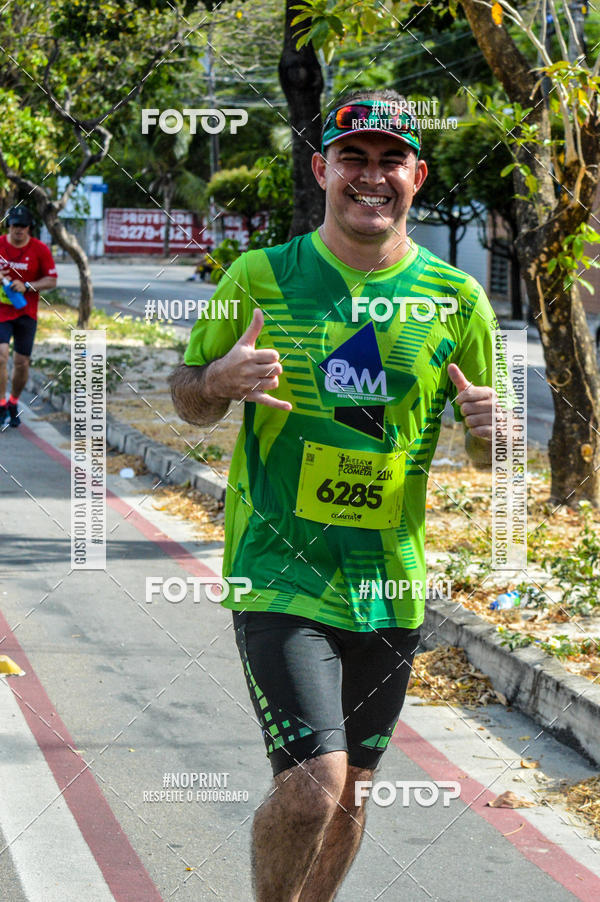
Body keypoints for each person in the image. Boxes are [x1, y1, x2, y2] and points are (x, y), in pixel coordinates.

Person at [170, 89, 504, 901]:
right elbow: (187, 397)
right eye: (353, 157)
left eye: (392, 160)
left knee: (352, 791)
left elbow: (489, 451)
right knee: (312, 785)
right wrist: (218, 380)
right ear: (322, 169)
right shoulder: (260, 278)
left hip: (390, 583)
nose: (371, 176)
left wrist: (493, 434)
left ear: (418, 177)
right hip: (281, 571)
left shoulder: (457, 300)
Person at [0, 205, 57, 428]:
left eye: (23, 226)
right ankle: (1, 404)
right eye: (15, 225)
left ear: (29, 227)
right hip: (1, 312)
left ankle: (13, 402)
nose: (19, 230)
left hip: (26, 313)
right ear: (9, 226)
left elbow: (52, 280)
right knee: (1, 355)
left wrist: (27, 286)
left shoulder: (40, 249)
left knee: (22, 362)